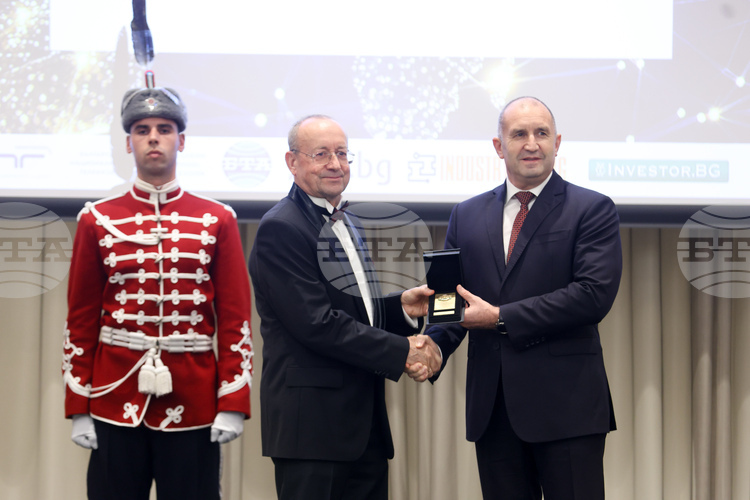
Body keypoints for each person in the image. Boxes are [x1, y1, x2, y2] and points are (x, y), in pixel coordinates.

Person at [426, 96, 622, 500]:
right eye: (519, 134)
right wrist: (432, 347)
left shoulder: (592, 209)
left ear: (557, 142)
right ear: (499, 146)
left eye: (541, 133)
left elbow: (592, 295)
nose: (531, 143)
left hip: (568, 409)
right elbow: (450, 299)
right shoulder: (466, 214)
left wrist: (500, 317)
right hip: (493, 409)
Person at [62, 86, 253, 500]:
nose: (153, 138)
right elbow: (80, 319)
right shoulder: (96, 219)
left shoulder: (217, 219)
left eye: (164, 129)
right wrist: (78, 405)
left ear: (181, 141)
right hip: (113, 398)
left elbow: (235, 318)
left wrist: (233, 399)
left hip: (194, 400)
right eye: (142, 129)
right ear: (128, 142)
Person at [248, 114, 441, 500]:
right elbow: (317, 323)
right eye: (321, 154)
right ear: (292, 162)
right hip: (313, 433)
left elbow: (353, 309)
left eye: (341, 153)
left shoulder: (349, 221)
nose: (335, 164)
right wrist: (402, 351)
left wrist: (401, 309)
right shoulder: (281, 228)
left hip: (363, 428)